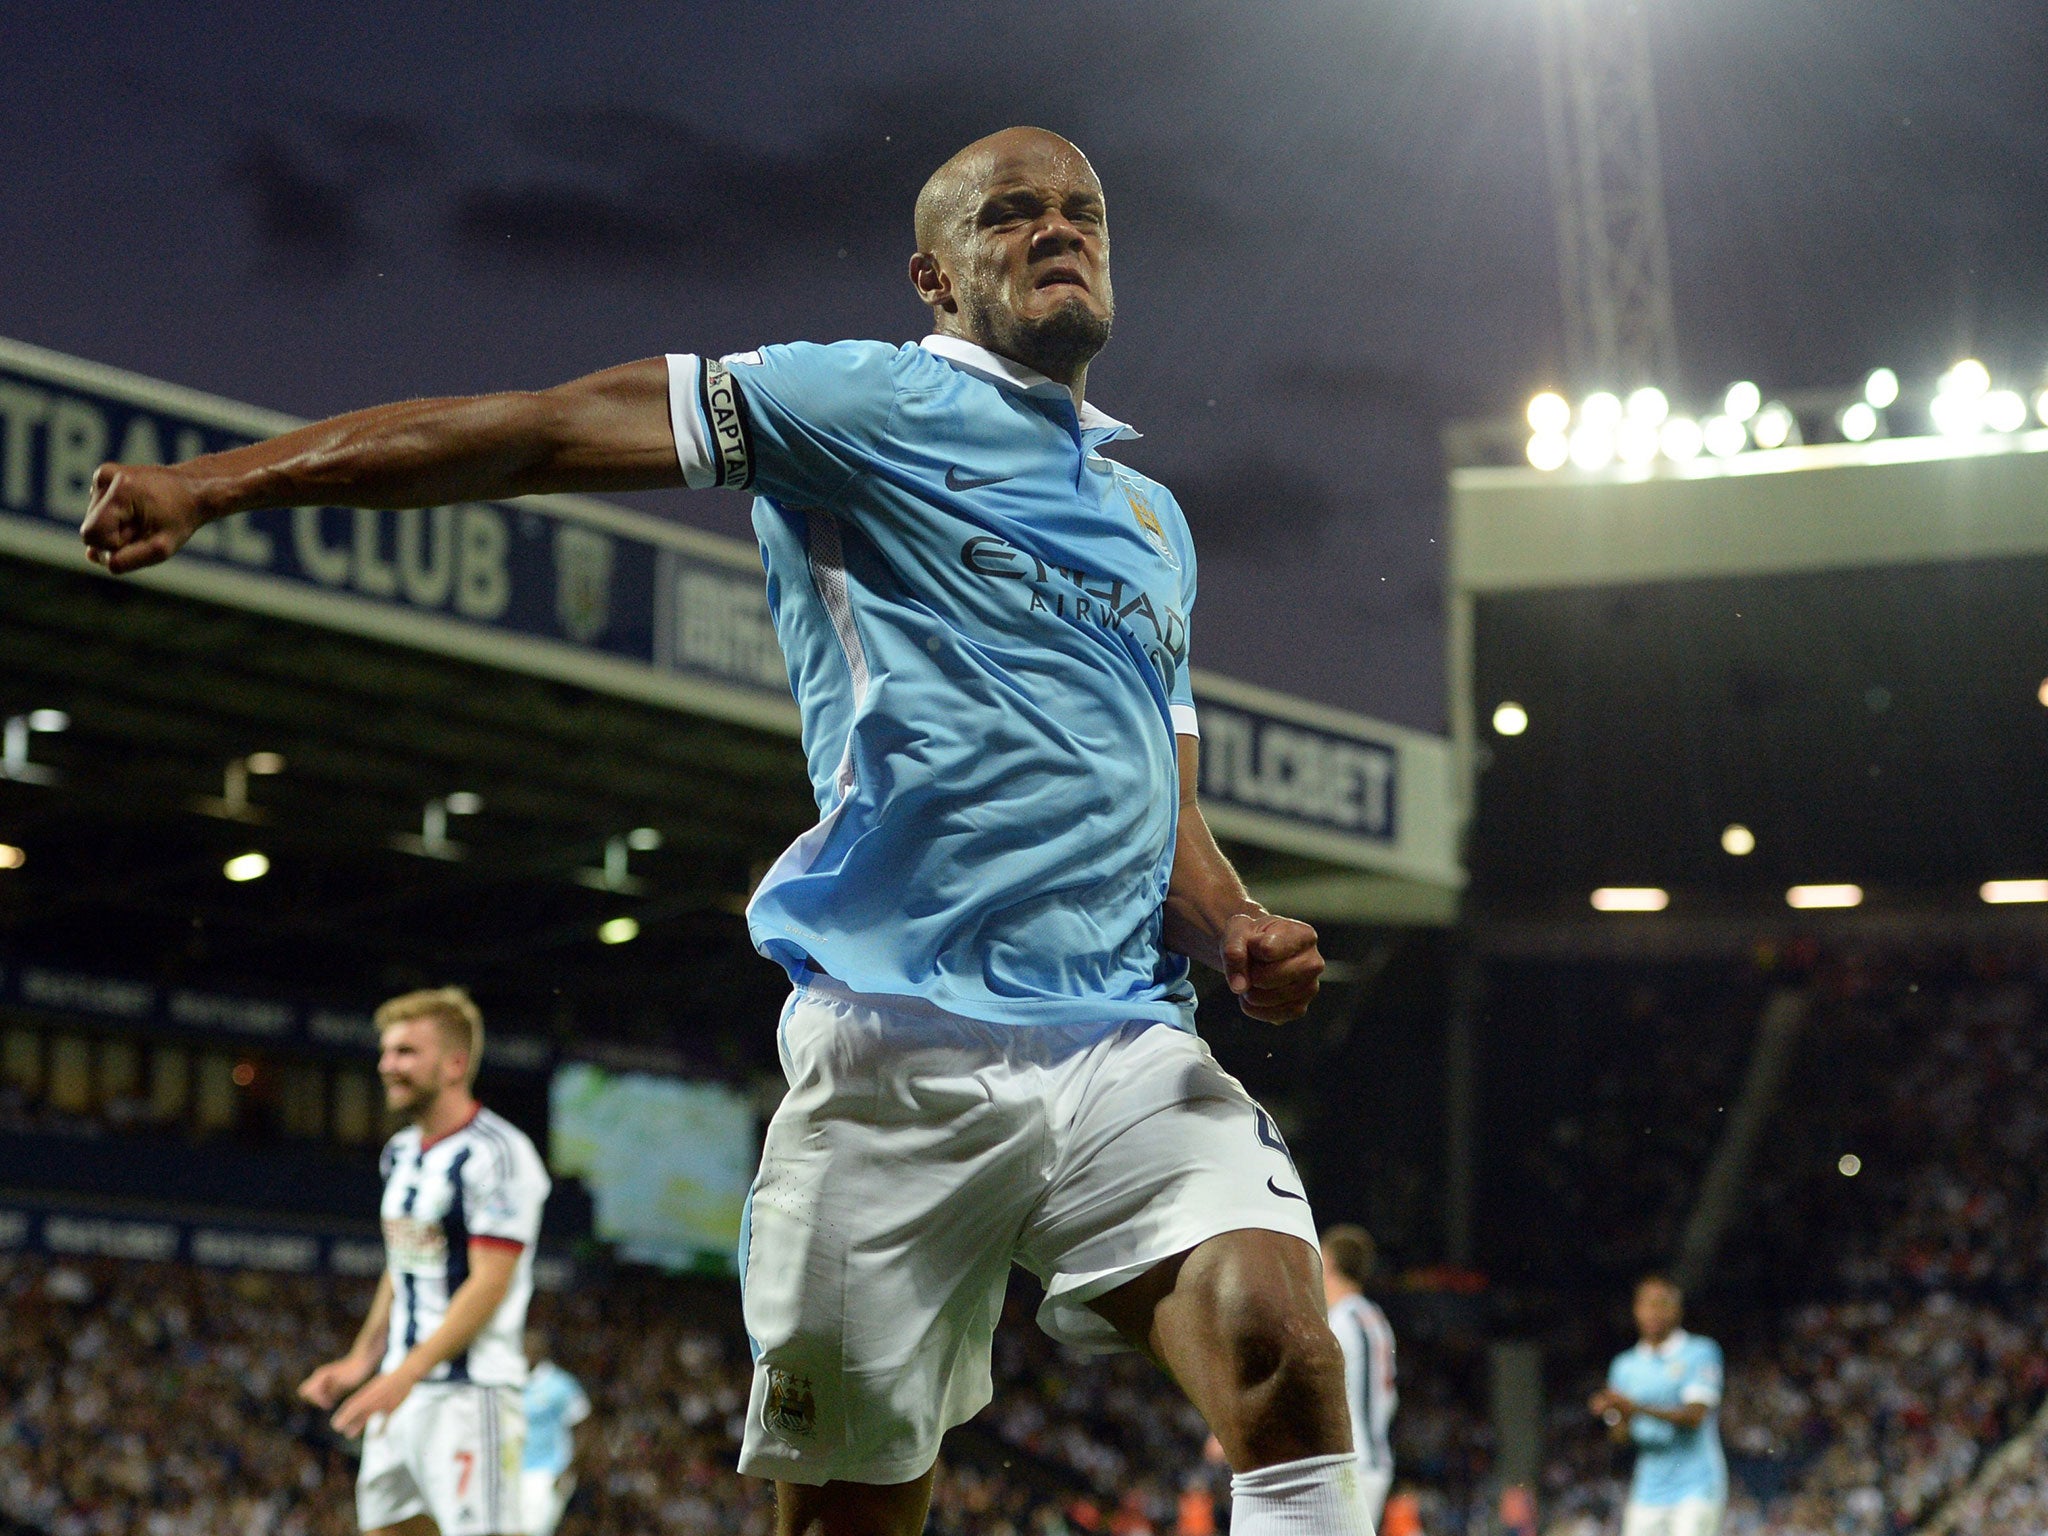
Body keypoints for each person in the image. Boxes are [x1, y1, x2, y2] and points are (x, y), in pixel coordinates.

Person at [83, 127, 1360, 1536]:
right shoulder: (851, 403)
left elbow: (1167, 815)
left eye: (1083, 211)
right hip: (898, 1053)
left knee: (1289, 1360)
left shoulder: (1150, 522)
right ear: (935, 277)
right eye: (1012, 215)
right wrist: (222, 482)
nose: (1059, 230)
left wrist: (1235, 924)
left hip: (1127, 1041)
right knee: (846, 1519)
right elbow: (546, 428)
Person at [298, 988, 552, 1536]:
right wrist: (361, 1360)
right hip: (401, 1392)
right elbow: (406, 1261)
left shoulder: (498, 1155)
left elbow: (490, 1284)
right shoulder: (402, 1152)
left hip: (469, 1398)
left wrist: (405, 1373)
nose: (388, 1065)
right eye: (387, 1051)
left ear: (454, 1064)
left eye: (407, 1052)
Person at [1588, 1276, 1727, 1536]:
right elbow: (1620, 1438)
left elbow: (1695, 1415)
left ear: (1677, 1310)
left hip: (1696, 1485)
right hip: (1648, 1489)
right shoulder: (1624, 1366)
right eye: (1647, 1304)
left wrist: (1634, 1407)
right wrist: (1616, 1413)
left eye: (1662, 1304)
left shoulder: (1700, 1352)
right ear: (1636, 1310)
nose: (1654, 1312)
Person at [1320, 1225, 1396, 1524]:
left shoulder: (1342, 1321)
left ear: (1328, 1262)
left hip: (1350, 1465)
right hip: (1369, 1461)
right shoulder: (1374, 1319)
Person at [520, 1329, 590, 1536]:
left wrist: (569, 1468)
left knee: (534, 1530)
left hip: (546, 1471)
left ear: (541, 1351)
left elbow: (584, 1427)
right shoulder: (508, 1381)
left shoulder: (560, 1385)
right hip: (511, 1471)